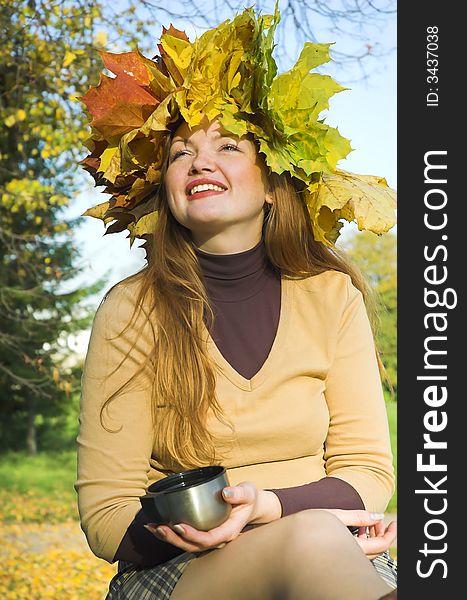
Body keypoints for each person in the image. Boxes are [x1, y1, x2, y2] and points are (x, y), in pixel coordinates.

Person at [75, 6, 398, 599]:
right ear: (165, 191)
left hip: (328, 550)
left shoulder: (332, 297)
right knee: (313, 539)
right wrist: (228, 527)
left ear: (275, 180)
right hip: (183, 574)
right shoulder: (131, 310)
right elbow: (106, 513)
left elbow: (369, 473)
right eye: (179, 153)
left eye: (228, 146)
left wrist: (274, 509)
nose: (200, 161)